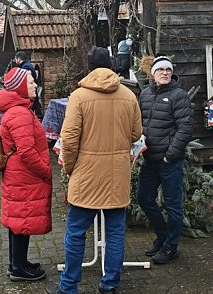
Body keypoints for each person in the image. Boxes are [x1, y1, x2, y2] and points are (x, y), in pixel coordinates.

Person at [47, 47, 142, 294]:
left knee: (77, 232)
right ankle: (110, 284)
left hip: (86, 173)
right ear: (111, 65)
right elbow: (135, 134)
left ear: (88, 67)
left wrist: (69, 168)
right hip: (117, 174)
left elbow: (68, 139)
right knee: (115, 231)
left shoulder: (78, 96)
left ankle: (68, 286)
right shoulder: (129, 95)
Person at [0, 67, 51, 282]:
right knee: (21, 222)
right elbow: (27, 152)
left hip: (19, 175)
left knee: (18, 222)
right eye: (30, 82)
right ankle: (18, 268)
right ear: (19, 87)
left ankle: (17, 263)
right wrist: (45, 170)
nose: (35, 85)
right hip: (24, 176)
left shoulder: (18, 109)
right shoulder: (19, 113)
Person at [137, 54, 193, 264]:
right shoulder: (145, 95)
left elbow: (185, 128)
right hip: (150, 159)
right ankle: (162, 237)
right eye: (160, 70)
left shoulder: (179, 95)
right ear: (153, 74)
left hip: (170, 161)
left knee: (173, 205)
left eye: (168, 70)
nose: (165, 73)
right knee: (144, 198)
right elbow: (140, 123)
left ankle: (171, 247)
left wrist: (171, 155)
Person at [12, 51, 42, 116]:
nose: (15, 61)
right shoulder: (27, 65)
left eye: (15, 59)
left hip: (29, 94)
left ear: (19, 59)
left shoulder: (26, 67)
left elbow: (24, 82)